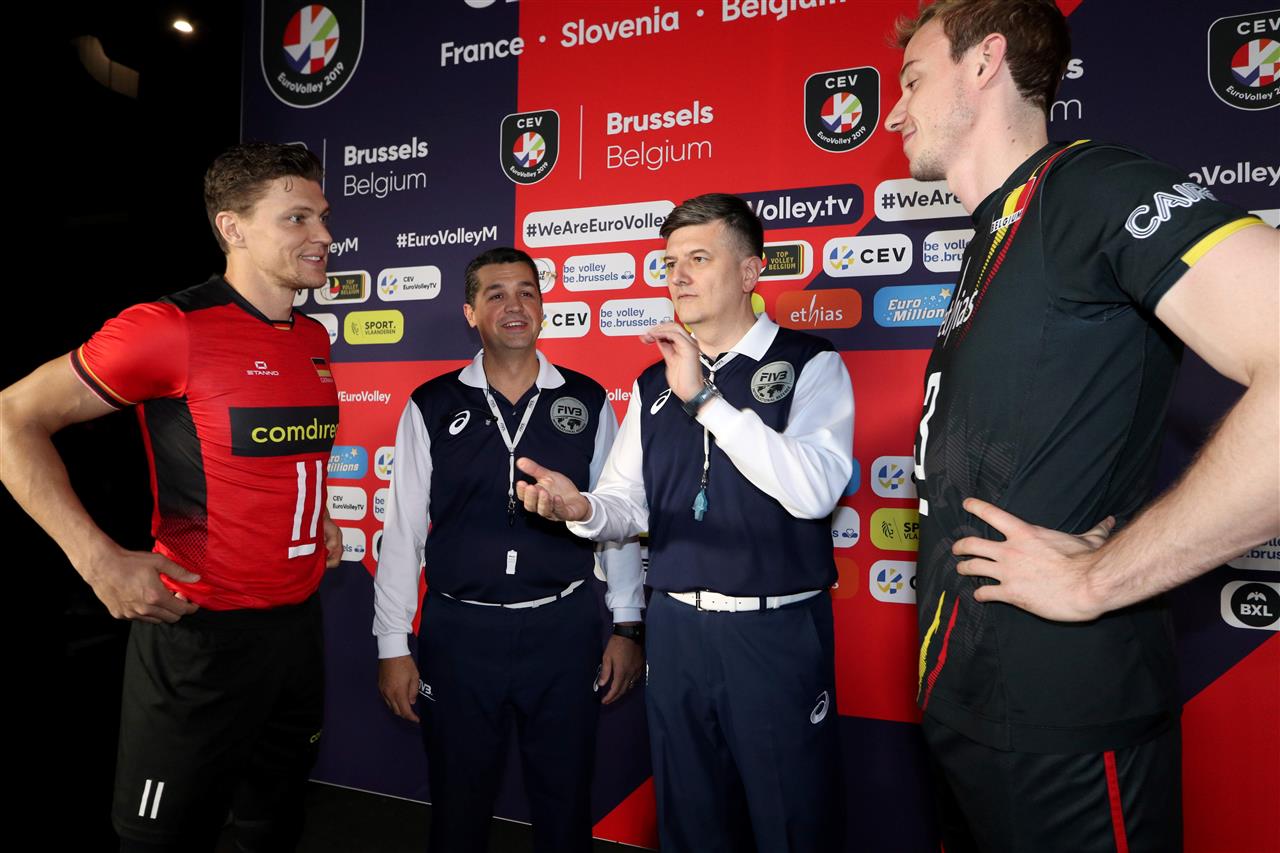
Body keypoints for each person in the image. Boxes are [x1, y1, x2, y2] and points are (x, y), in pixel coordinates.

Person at [883, 2, 1279, 850]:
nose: (893, 111)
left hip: (1065, 720)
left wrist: (1099, 577)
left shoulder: (1092, 187)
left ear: (984, 62)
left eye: (912, 81)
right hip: (967, 704)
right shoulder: (995, 233)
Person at [0, 141, 343, 852]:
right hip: (199, 636)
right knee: (162, 841)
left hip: (296, 630)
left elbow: (274, 452)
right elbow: (11, 418)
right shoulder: (170, 327)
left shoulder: (312, 336)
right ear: (232, 227)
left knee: (273, 824)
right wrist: (97, 559)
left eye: (324, 216)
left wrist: (317, 517)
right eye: (298, 218)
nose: (323, 235)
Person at [516, 194, 854, 852]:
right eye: (670, 262)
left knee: (792, 821)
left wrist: (704, 398)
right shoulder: (653, 383)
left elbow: (815, 491)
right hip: (676, 632)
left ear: (750, 271)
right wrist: (581, 508)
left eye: (699, 258)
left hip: (775, 631)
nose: (678, 275)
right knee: (690, 821)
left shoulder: (810, 363)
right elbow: (627, 502)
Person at [373, 247, 645, 853]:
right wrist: (393, 644)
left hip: (563, 629)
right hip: (459, 634)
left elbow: (617, 517)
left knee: (565, 803)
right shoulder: (431, 403)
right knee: (458, 806)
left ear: (543, 307)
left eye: (526, 291)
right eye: (495, 294)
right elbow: (403, 530)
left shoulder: (588, 399)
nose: (514, 305)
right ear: (470, 313)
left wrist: (628, 624)